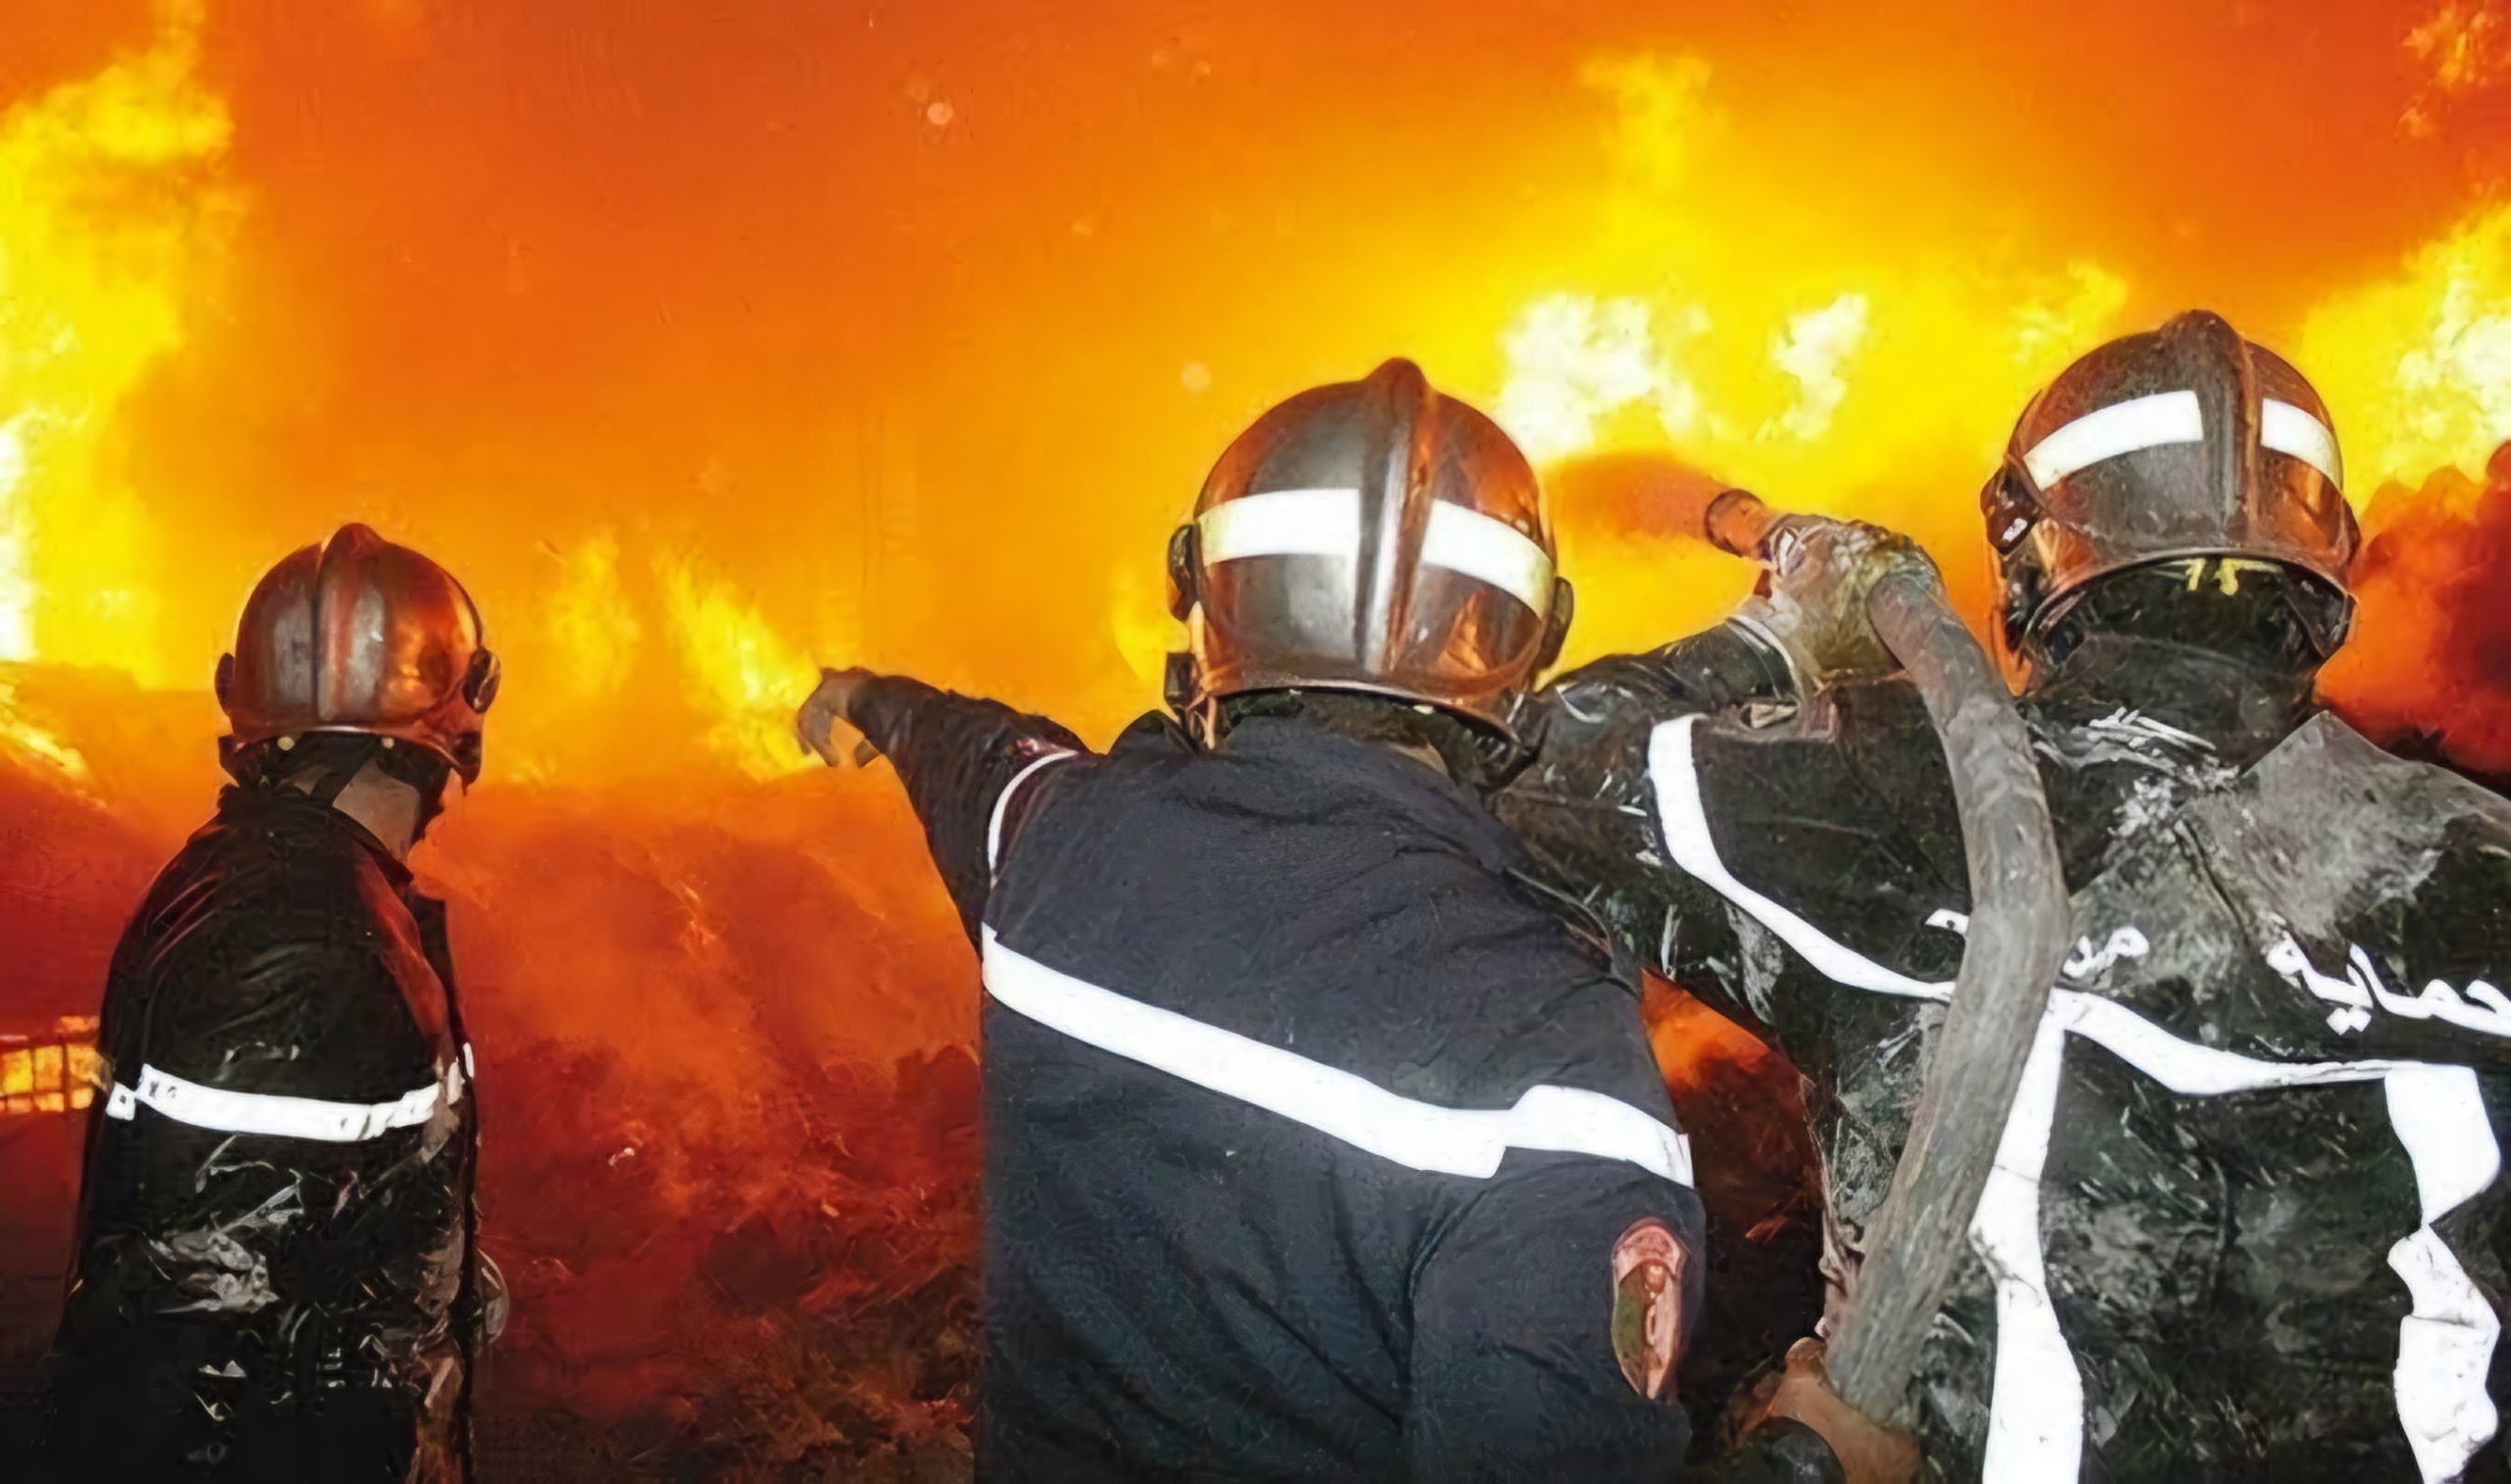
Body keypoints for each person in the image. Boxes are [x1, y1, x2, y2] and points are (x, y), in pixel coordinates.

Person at [796, 360, 1912, 1482]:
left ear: (1205, 588)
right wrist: (1808, 1463)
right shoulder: (1548, 1070)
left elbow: (972, 753)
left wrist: (876, 703)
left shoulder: (1053, 846)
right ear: (1539, 635)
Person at [1499, 311, 2511, 1482]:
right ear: (2322, 557)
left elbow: (1527, 768)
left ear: (2030, 551)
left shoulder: (1894, 798)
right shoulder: (2477, 858)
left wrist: (1779, 630)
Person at [43, 525, 502, 1483]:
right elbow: (199, 1330)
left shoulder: (268, 886)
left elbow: (297, 1215)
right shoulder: (304, 947)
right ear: (446, 733)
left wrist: (434, 1278)